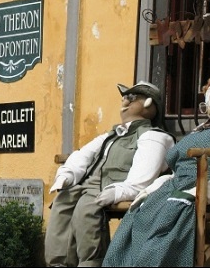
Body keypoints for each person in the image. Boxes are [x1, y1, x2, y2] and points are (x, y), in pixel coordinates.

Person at [102, 78, 210, 267]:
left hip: (200, 184)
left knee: (168, 219)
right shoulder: (202, 130)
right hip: (176, 183)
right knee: (139, 213)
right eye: (209, 105)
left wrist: (203, 190)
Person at [44, 81, 176, 267]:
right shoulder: (112, 135)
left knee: (86, 210)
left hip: (111, 185)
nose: (125, 102)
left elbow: (143, 174)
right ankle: (58, 263)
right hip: (88, 182)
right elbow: (83, 154)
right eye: (124, 98)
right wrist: (68, 174)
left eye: (131, 98)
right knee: (63, 202)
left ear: (148, 103)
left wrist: (119, 191)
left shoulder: (153, 136)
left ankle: (91, 264)